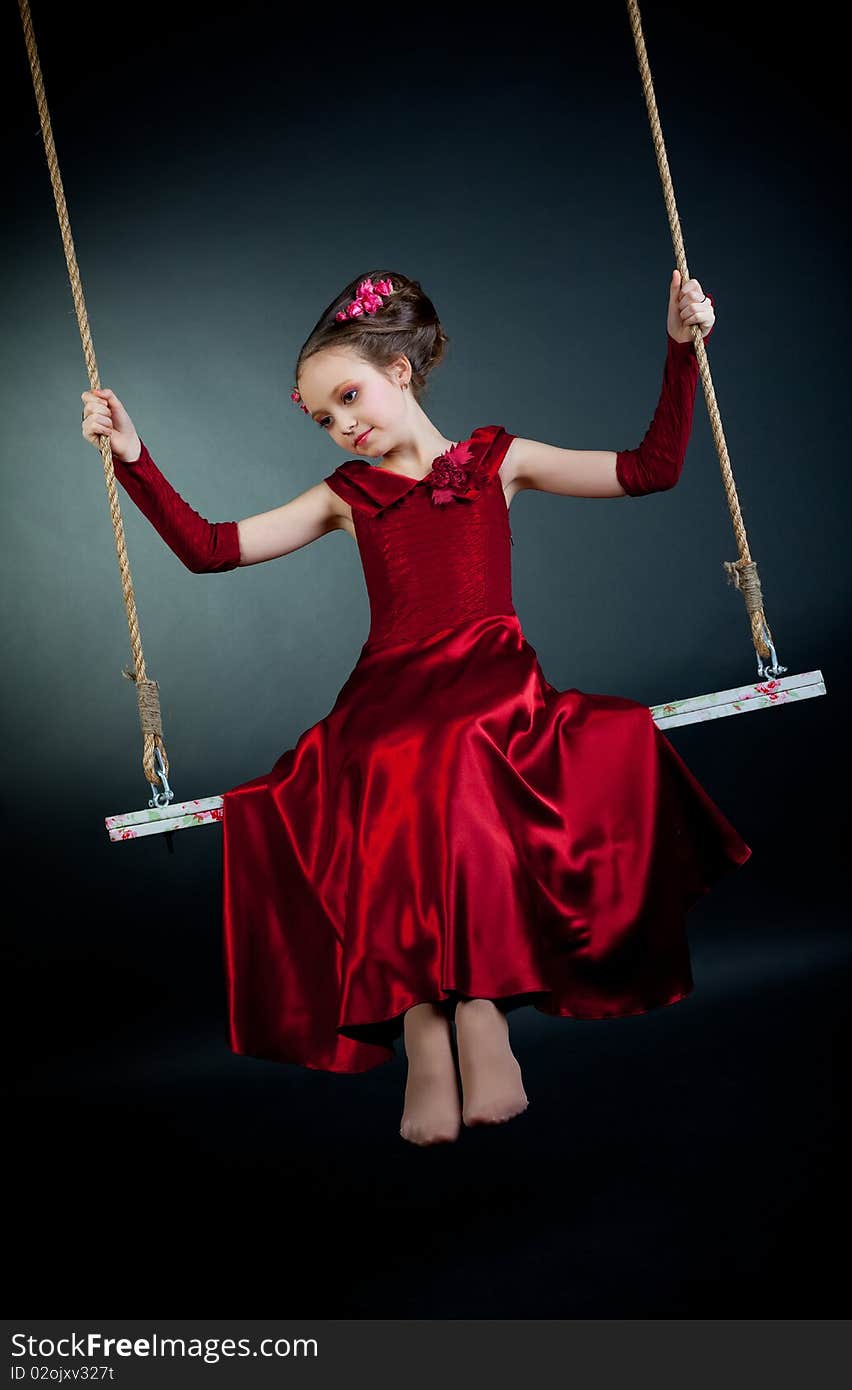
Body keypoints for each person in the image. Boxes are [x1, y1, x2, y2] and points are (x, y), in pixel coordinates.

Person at [81, 267, 751, 1147]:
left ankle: (478, 1008)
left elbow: (651, 469)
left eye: (350, 396)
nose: (343, 426)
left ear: (400, 370)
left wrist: (680, 349)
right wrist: (135, 460)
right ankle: (423, 1026)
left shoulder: (500, 460)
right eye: (323, 418)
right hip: (388, 688)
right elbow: (211, 550)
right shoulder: (345, 498)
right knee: (386, 758)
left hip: (489, 675)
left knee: (463, 740)